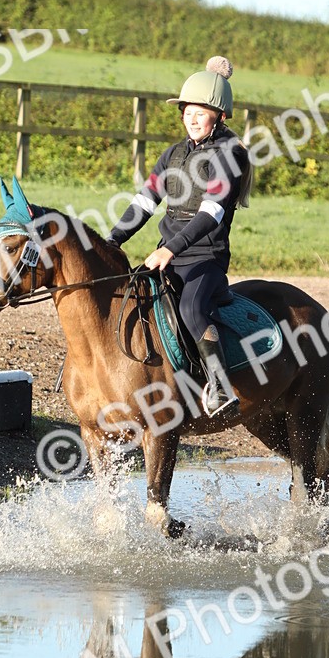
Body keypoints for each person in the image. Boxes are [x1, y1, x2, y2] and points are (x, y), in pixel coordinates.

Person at [107, 56, 251, 418]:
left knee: (190, 308)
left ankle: (220, 387)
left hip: (205, 259)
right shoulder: (172, 154)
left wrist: (171, 249)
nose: (192, 117)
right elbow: (144, 202)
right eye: (188, 110)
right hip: (166, 254)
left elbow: (212, 212)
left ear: (219, 116)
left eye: (201, 111)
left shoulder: (229, 155)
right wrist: (111, 241)